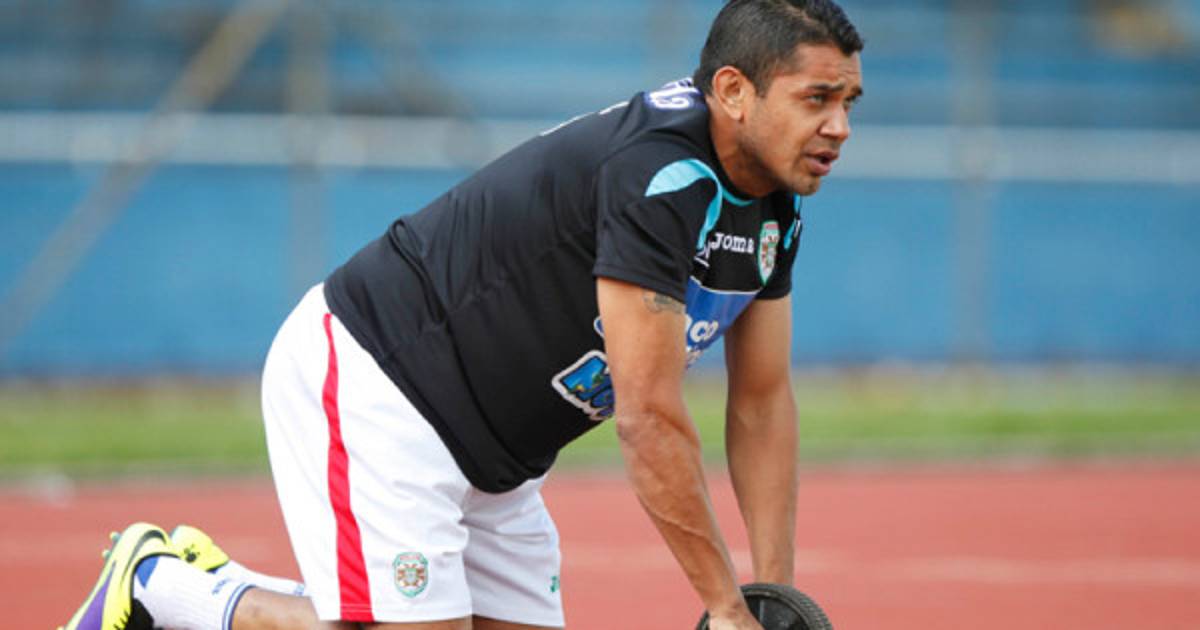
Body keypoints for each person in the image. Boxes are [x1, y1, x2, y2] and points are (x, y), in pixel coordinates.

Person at [62, 1, 864, 628]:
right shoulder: (660, 177)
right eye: (816, 99)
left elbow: (760, 402)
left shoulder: (776, 204)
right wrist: (724, 608)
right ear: (733, 91)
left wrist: (772, 598)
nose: (838, 127)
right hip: (383, 382)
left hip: (498, 456)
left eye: (849, 101)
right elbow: (648, 418)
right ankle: (165, 584)